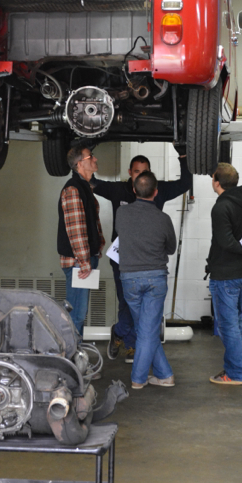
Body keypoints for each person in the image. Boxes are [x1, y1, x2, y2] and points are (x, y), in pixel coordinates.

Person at [92, 148, 191, 363]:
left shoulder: (157, 189)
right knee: (126, 302)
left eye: (144, 172)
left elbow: (185, 184)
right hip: (123, 259)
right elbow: (93, 183)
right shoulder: (118, 190)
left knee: (140, 307)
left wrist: (183, 156)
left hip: (149, 261)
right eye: (136, 172)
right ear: (130, 172)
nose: (140, 176)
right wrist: (87, 158)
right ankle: (130, 342)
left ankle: (123, 336)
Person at [116, 171, 176, 389]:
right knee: (147, 331)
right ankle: (140, 379)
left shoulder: (121, 213)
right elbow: (171, 248)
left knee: (145, 330)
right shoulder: (163, 219)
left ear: (134, 190)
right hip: (155, 279)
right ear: (156, 192)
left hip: (129, 279)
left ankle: (163, 375)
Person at [206, 162, 242, 386]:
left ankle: (235, 373)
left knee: (228, 326)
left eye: (212, 178)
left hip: (226, 275)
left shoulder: (221, 207)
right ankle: (241, 368)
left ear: (217, 182)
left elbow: (226, 241)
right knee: (236, 322)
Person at [58, 146, 105, 337]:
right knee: (76, 314)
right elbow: (76, 230)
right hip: (78, 262)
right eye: (90, 157)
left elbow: (90, 221)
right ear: (80, 164)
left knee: (79, 313)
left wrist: (98, 245)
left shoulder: (84, 187)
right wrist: (84, 261)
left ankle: (75, 351)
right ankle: (69, 353)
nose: (95, 159)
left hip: (84, 260)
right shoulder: (72, 189)